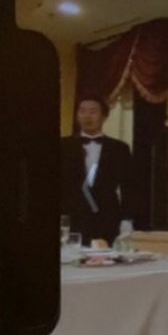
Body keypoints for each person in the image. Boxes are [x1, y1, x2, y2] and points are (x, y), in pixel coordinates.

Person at [60, 96, 135, 246]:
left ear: (104, 117)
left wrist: (127, 219)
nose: (87, 116)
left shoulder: (119, 148)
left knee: (106, 258)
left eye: (93, 112)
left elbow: (129, 186)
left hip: (107, 217)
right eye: (82, 111)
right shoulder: (63, 146)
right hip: (71, 217)